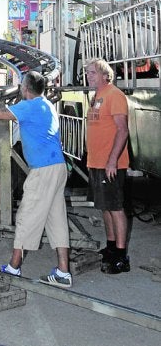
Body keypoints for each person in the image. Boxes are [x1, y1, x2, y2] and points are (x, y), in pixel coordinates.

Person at [0, 70, 72, 287]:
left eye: (21, 86)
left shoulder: (29, 106)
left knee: (25, 217)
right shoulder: (46, 104)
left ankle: (13, 267)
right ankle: (63, 272)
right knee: (56, 219)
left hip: (43, 170)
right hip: (57, 167)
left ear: (26, 89)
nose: (20, 89)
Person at [85, 59, 130, 274]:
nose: (89, 76)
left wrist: (112, 160)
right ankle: (111, 247)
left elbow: (122, 130)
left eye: (93, 72)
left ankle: (121, 256)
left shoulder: (115, 96)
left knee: (116, 208)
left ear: (105, 75)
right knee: (105, 208)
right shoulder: (97, 97)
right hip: (96, 162)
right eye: (87, 73)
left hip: (110, 165)